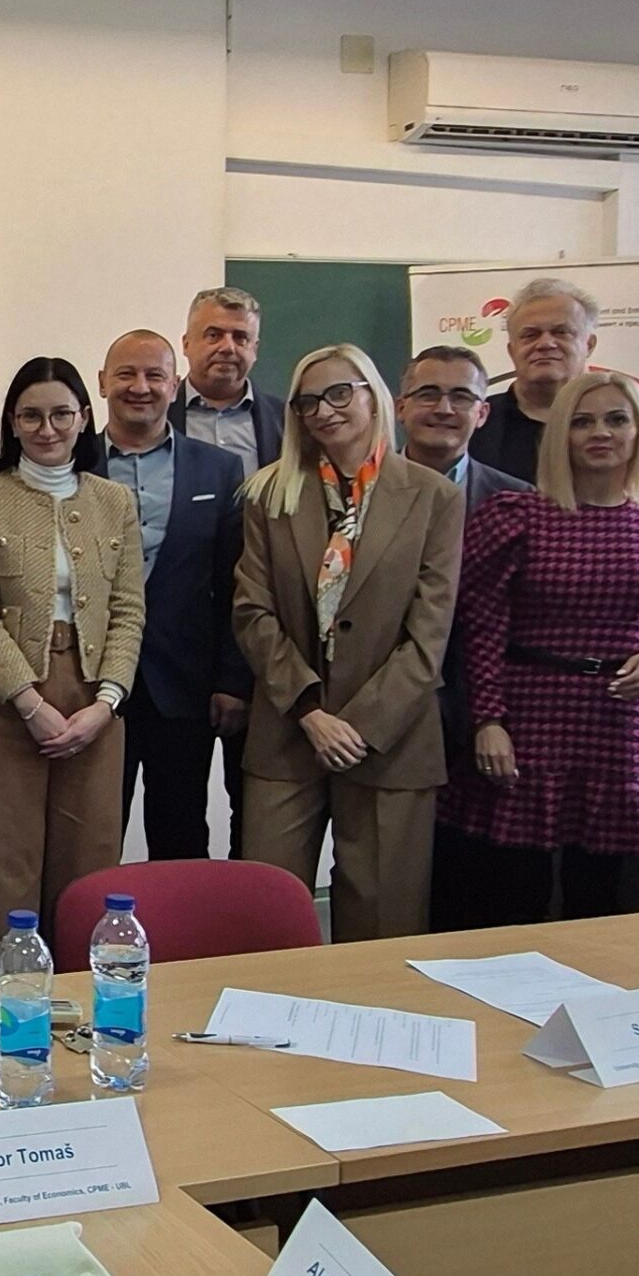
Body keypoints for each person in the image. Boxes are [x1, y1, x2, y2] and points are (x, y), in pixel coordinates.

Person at [437, 372, 639, 929]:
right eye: (582, 422)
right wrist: (488, 721)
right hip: (526, 714)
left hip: (617, 721)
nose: (600, 433)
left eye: (616, 420)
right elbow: (479, 628)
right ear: (560, 434)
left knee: (601, 896)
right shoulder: (515, 517)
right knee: (512, 891)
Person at [234, 345, 461, 942]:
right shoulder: (269, 495)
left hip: (391, 738)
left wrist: (356, 726)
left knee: (385, 918)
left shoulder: (433, 496)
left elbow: (429, 633)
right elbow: (252, 613)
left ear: (375, 397)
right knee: (268, 916)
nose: (324, 411)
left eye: (340, 394)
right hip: (289, 732)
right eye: (308, 401)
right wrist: (311, 712)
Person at [0, 357, 145, 973]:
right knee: (4, 869)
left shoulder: (114, 500)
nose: (47, 428)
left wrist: (106, 704)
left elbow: (128, 611)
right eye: (31, 415)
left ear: (84, 417)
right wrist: (29, 704)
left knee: (88, 867)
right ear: (12, 421)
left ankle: (87, 1000)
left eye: (62, 414)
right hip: (5, 701)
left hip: (94, 701)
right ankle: (3, 1006)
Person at [99, 330, 253, 860]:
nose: (140, 387)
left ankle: (182, 920)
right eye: (126, 374)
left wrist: (233, 679)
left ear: (175, 384)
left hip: (185, 688)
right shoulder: (71, 463)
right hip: (91, 690)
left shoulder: (219, 468)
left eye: (154, 375)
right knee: (93, 838)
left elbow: (234, 582)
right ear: (102, 382)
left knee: (182, 834)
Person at [397, 346, 532, 808]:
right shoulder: (358, 493)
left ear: (483, 413)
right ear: (400, 407)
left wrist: (492, 716)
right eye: (428, 394)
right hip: (386, 712)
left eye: (460, 396)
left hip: (488, 715)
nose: (444, 408)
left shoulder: (519, 502)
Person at [469, 277, 639, 510]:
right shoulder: (478, 421)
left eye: (561, 332)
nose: (545, 343)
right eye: (530, 335)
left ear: (589, 344)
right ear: (512, 350)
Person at [171, 285, 287, 479]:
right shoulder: (158, 414)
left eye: (240, 338)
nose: (227, 348)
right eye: (213, 335)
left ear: (255, 349)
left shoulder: (286, 420)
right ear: (186, 344)